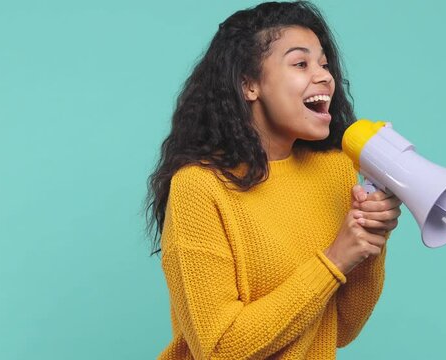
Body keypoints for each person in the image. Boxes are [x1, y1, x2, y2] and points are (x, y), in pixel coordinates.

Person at [146, 2, 402, 359]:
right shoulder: (200, 186)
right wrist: (334, 260)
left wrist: (370, 242)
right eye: (301, 63)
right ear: (249, 85)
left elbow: (340, 329)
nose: (324, 76)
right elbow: (219, 349)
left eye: (325, 64)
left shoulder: (335, 169)